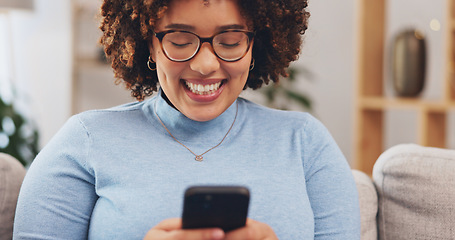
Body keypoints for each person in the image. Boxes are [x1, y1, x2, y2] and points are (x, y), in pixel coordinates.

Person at [13, 0, 360, 239]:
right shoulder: (84, 141)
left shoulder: (305, 143)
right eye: (180, 40)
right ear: (147, 43)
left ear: (256, 45)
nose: (206, 64)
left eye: (230, 41)